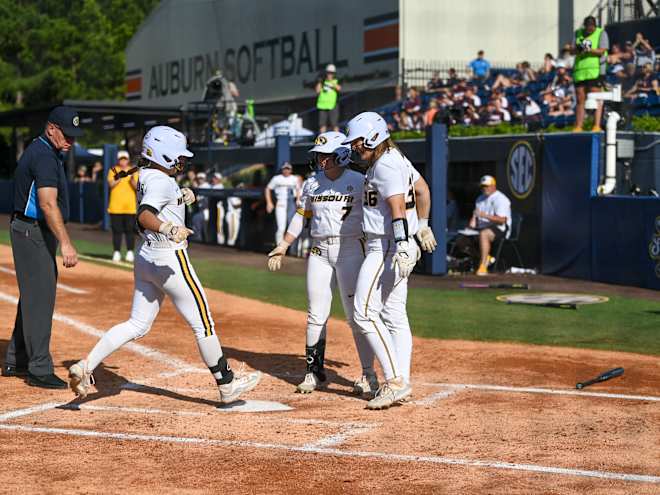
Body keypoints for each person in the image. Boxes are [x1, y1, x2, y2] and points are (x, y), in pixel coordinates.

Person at [68, 126, 261, 403]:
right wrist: (170, 228)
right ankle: (227, 384)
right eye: (178, 156)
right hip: (169, 257)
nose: (182, 161)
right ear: (164, 154)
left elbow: (157, 201)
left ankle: (86, 366)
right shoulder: (160, 180)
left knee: (136, 324)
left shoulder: (146, 174)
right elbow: (144, 216)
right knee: (203, 323)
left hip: (146, 256)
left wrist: (180, 198)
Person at [267, 131, 378, 397]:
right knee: (315, 314)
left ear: (341, 154)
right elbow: (300, 216)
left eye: (325, 154)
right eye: (318, 155)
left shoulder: (360, 181)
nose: (319, 159)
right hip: (318, 250)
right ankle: (313, 371)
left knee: (356, 316)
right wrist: (284, 245)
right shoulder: (311, 183)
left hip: (351, 249)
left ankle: (368, 374)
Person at [342, 112, 437, 410]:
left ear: (372, 137)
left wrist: (403, 243)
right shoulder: (395, 158)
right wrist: (422, 224)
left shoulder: (385, 164)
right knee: (394, 314)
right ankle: (401, 380)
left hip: (384, 246)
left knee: (364, 312)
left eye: (358, 141)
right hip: (391, 243)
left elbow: (397, 209)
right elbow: (422, 189)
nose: (355, 147)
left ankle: (395, 380)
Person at [3, 106, 82, 388]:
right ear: (51, 129)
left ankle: (17, 358)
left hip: (28, 230)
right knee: (40, 298)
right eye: (66, 134)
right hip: (32, 231)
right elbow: (48, 204)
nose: (71, 140)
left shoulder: (43, 150)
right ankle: (38, 369)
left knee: (33, 296)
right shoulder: (45, 156)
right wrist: (66, 244)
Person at [453, 175, 511, 275]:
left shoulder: (501, 199)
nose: (485, 188)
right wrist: (470, 226)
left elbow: (502, 220)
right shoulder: (480, 198)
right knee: (461, 240)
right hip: (481, 228)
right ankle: (483, 258)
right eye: (483, 186)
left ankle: (483, 265)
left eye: (487, 186)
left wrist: (485, 215)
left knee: (484, 234)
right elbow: (475, 217)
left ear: (493, 186)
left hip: (500, 228)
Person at [573, 16, 609, 132]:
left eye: (592, 27)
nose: (590, 29)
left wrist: (589, 49)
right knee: (580, 98)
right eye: (588, 27)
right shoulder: (578, 33)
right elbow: (573, 50)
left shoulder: (601, 33)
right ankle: (579, 126)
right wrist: (577, 49)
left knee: (596, 97)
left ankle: (596, 125)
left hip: (595, 70)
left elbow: (602, 50)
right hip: (580, 71)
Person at [108, 151, 138, 263]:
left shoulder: (133, 171)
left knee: (130, 231)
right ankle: (116, 252)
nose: (123, 161)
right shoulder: (113, 170)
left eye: (125, 159)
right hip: (116, 207)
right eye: (121, 159)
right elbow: (110, 184)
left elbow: (137, 188)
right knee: (117, 230)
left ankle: (130, 252)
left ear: (128, 160)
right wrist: (119, 178)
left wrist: (132, 181)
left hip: (130, 207)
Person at [265, 162, 301, 245]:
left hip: (291, 203)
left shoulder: (294, 178)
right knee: (281, 227)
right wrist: (269, 202)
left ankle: (290, 249)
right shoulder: (276, 178)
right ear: (282, 169)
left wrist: (298, 200)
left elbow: (298, 189)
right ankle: (279, 247)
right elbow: (268, 189)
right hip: (281, 203)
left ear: (291, 170)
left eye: (288, 169)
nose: (286, 171)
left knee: (291, 227)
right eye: (285, 169)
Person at [315, 64, 341, 132]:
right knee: (322, 125)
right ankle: (322, 140)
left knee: (334, 124)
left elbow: (339, 88)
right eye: (328, 73)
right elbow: (317, 91)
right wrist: (320, 82)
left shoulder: (336, 81)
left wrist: (332, 83)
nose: (330, 74)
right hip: (322, 105)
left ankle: (337, 139)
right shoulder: (322, 81)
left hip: (333, 105)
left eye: (331, 73)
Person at [211, 172, 226, 244]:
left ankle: (221, 243)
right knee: (216, 227)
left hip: (219, 209)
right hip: (214, 209)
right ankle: (216, 241)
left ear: (219, 179)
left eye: (215, 178)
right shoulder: (213, 186)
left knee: (219, 227)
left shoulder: (220, 186)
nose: (213, 179)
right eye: (213, 177)